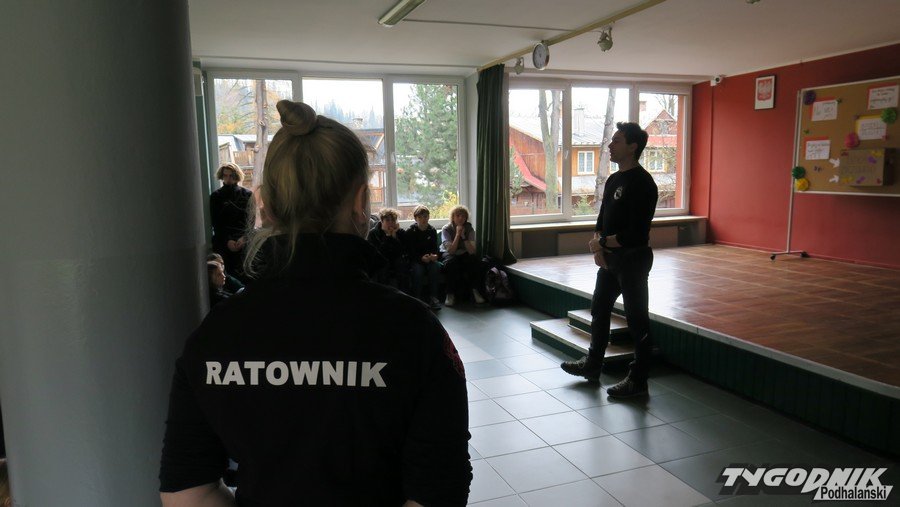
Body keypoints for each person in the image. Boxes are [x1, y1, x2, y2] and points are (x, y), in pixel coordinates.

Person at [159, 100, 472, 506]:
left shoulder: (214, 334)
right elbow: (438, 491)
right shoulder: (414, 329)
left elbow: (188, 492)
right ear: (361, 202)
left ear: (264, 204)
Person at [560, 122, 658, 398]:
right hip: (610, 260)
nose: (610, 145)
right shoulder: (614, 179)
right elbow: (602, 220)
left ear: (633, 147)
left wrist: (601, 243)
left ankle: (638, 380)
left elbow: (635, 234)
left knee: (637, 319)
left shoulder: (643, 183)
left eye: (617, 141)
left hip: (633, 260)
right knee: (599, 309)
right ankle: (593, 364)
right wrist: (598, 248)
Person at [210, 162, 253, 278]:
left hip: (243, 241)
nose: (228, 179)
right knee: (226, 275)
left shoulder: (247, 195)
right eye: (225, 175)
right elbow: (216, 223)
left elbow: (251, 220)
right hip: (223, 242)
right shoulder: (216, 196)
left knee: (245, 274)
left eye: (231, 175)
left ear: (236, 176)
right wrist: (227, 240)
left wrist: (244, 238)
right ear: (222, 176)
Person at [440, 206, 485, 307]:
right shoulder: (446, 229)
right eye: (458, 216)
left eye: (463, 216)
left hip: (464, 252)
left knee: (475, 261)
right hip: (449, 253)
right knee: (451, 263)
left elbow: (472, 251)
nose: (460, 218)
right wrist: (457, 234)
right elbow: (451, 250)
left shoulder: (469, 229)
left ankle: (475, 291)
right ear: (453, 217)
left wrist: (464, 236)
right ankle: (450, 294)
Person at [366, 208, 411, 293]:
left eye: (393, 220)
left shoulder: (400, 232)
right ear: (382, 221)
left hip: (396, 260)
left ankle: (404, 295)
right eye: (387, 220)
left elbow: (403, 251)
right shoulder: (373, 233)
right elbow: (378, 253)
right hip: (381, 260)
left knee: (401, 264)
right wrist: (387, 236)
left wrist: (394, 237)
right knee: (383, 267)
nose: (391, 223)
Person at [406, 205, 442, 310]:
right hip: (416, 259)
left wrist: (435, 256)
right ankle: (417, 298)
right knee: (418, 270)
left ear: (428, 217)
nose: (423, 219)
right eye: (420, 217)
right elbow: (410, 251)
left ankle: (434, 297)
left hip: (429, 259)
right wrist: (420, 258)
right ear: (415, 218)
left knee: (435, 267)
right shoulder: (410, 231)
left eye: (425, 216)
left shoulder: (432, 230)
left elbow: (435, 248)